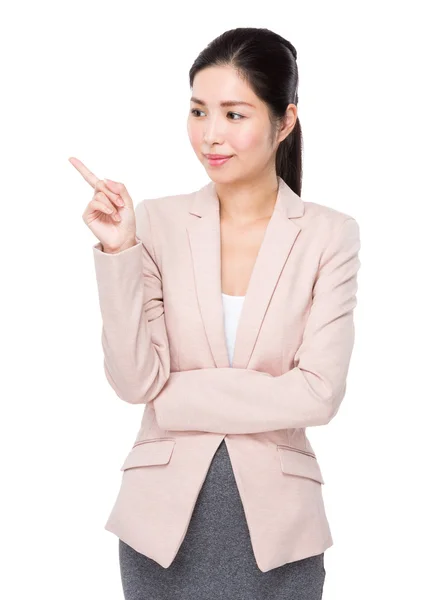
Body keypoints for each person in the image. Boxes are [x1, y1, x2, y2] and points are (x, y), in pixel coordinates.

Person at [70, 26, 361, 600]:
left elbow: (319, 394)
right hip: (160, 528)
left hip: (280, 530)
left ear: (285, 121)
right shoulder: (153, 223)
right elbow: (135, 382)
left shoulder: (331, 235)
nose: (210, 136)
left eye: (234, 114)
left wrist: (176, 398)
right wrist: (118, 250)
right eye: (199, 111)